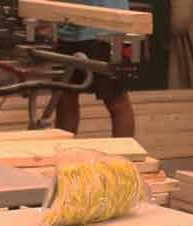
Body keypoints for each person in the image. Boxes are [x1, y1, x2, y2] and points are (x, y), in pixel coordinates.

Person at [54, 0, 135, 138]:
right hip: (68, 26)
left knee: (116, 101)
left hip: (108, 28)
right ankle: (62, 154)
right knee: (64, 100)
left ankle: (125, 156)